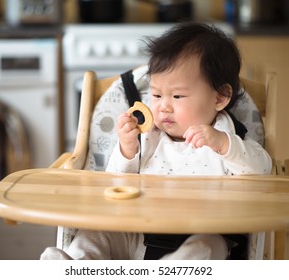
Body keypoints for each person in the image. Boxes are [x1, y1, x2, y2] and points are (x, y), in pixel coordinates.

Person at [40, 22, 272, 260]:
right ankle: (75, 265)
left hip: (201, 233)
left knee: (209, 246)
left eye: (178, 96)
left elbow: (262, 170)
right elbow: (114, 183)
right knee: (94, 233)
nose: (163, 106)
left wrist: (224, 144)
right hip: (137, 234)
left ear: (220, 97)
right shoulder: (148, 135)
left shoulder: (226, 137)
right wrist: (127, 150)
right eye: (157, 95)